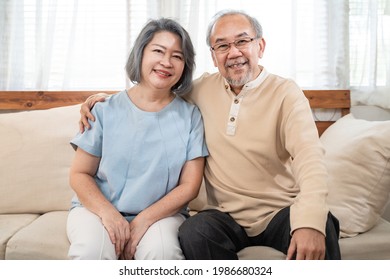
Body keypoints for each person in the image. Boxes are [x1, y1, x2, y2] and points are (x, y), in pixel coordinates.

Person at [79, 10, 341, 260]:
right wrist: (103, 101)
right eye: (222, 46)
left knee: (323, 225)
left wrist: (310, 222)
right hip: (224, 216)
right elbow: (155, 90)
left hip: (279, 212)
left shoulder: (286, 93)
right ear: (214, 56)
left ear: (260, 47)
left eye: (242, 41)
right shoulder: (201, 90)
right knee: (195, 232)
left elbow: (310, 159)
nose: (234, 52)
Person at [67, 18, 208, 260]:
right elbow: (79, 174)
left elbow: (190, 186)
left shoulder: (191, 115)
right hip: (96, 211)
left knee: (162, 254)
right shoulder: (102, 110)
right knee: (92, 252)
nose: (166, 62)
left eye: (177, 56)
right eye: (158, 51)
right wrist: (109, 215)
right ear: (140, 53)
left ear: (185, 66)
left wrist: (143, 220)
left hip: (161, 216)